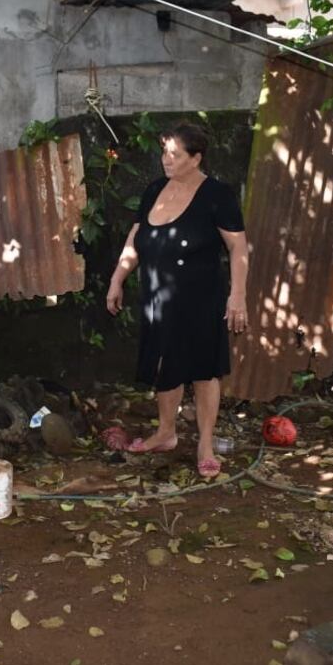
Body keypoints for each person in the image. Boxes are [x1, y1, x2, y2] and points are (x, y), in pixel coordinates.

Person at [105, 123, 250, 478]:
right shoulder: (155, 189)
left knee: (203, 371)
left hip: (202, 299)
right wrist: (117, 279)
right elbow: (135, 240)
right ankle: (166, 432)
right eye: (164, 153)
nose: (166, 160)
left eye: (175, 154)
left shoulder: (217, 194)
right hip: (158, 298)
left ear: (196, 158)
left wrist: (238, 295)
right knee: (162, 367)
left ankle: (204, 444)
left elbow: (238, 247)